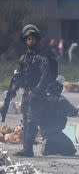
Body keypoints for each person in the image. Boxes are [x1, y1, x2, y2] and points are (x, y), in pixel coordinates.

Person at [2, 25, 51, 157]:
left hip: (38, 95)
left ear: (37, 40)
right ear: (26, 41)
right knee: (25, 118)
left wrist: (36, 90)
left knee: (31, 121)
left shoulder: (41, 58)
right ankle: (27, 148)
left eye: (33, 39)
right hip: (27, 93)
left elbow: (46, 75)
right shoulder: (23, 58)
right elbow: (19, 77)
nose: (31, 41)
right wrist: (13, 90)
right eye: (28, 39)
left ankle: (28, 150)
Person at [40, 76, 78, 156]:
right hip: (55, 132)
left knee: (56, 141)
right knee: (71, 150)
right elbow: (74, 112)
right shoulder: (61, 100)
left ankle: (50, 146)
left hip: (43, 131)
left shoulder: (42, 98)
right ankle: (49, 143)